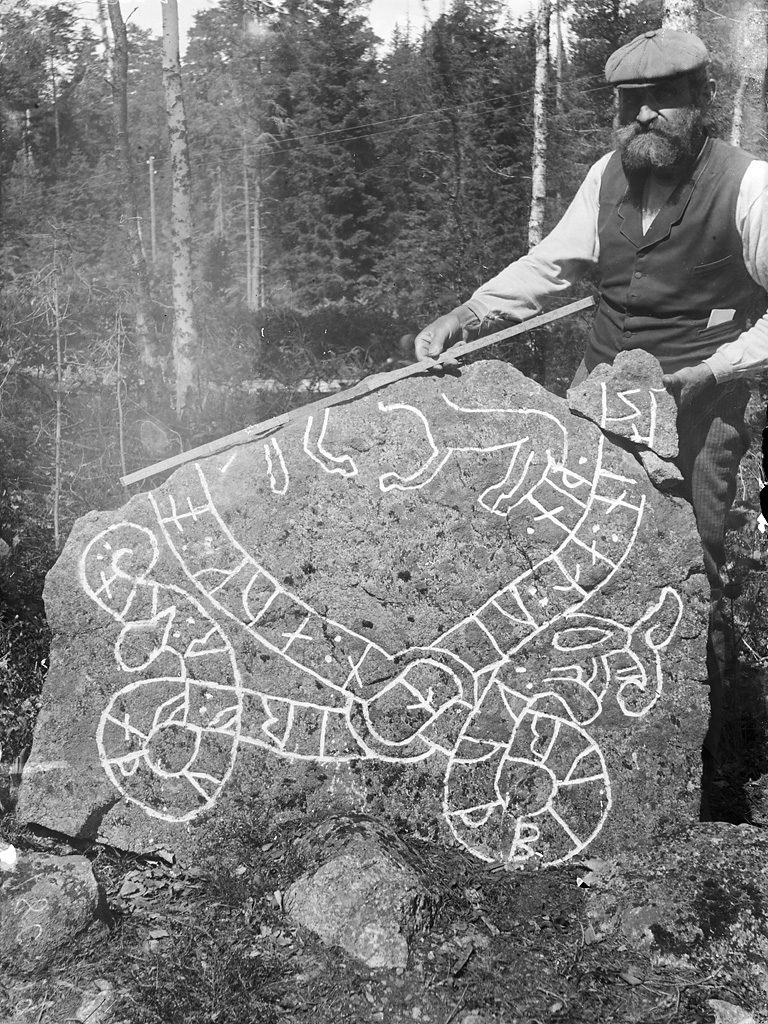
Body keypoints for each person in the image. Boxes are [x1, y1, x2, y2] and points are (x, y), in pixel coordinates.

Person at [414, 27, 768, 795]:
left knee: (703, 558)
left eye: (663, 99)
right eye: (629, 103)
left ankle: (715, 750)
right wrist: (469, 314)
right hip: (600, 396)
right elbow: (551, 265)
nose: (643, 116)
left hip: (701, 406)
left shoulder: (749, 187)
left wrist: (715, 368)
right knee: (571, 548)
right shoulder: (608, 177)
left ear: (703, 99)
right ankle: (585, 731)